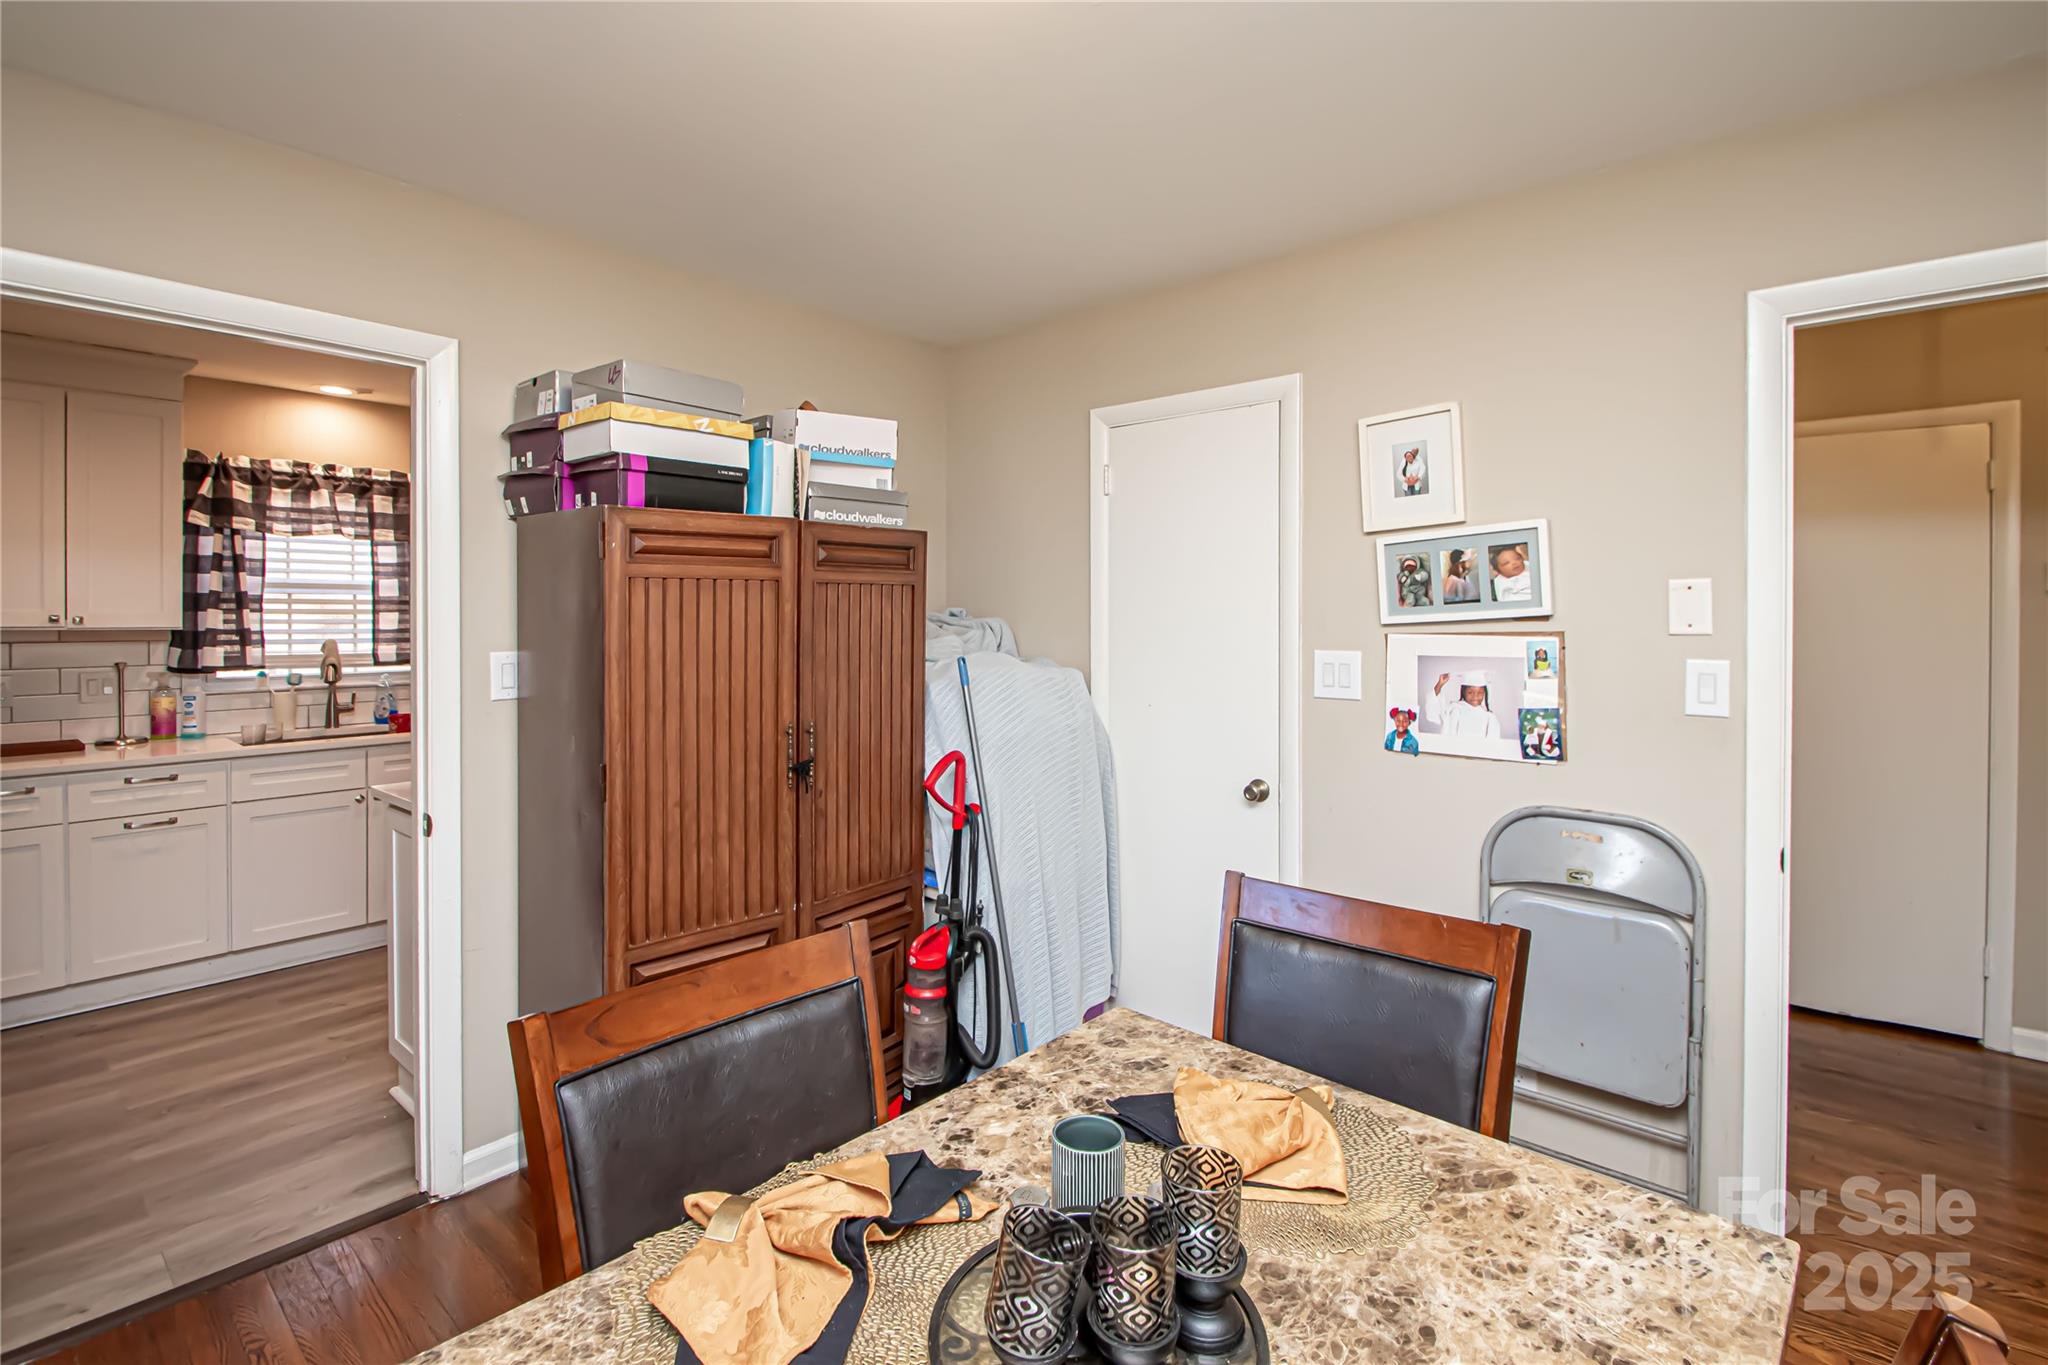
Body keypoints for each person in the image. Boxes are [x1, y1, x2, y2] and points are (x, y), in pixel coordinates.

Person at [1426, 669, 1501, 739]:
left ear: (1484, 693)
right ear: (1463, 692)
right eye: (1470, 692)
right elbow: (1434, 713)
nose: (1475, 696)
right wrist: (1439, 685)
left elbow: (1493, 743)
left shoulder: (1489, 717)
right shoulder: (1454, 710)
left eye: (1480, 693)